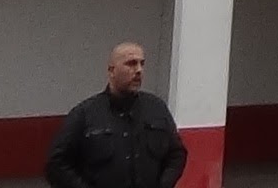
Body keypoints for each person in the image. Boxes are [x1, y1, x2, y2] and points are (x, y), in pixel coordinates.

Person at [44, 42, 186, 188]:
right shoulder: (85, 114)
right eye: (131, 64)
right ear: (111, 70)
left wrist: (164, 184)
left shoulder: (156, 109)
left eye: (142, 64)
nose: (139, 70)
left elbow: (177, 154)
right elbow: (56, 164)